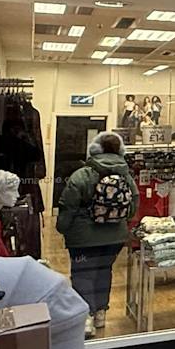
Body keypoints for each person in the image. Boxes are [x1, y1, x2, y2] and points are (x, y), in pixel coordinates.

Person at [57, 131, 137, 336]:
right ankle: (101, 313)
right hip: (115, 237)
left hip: (83, 238)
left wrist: (63, 228)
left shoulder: (82, 175)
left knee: (83, 275)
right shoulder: (126, 175)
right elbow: (133, 206)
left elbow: (68, 205)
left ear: (94, 149)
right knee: (104, 271)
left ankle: (86, 317)